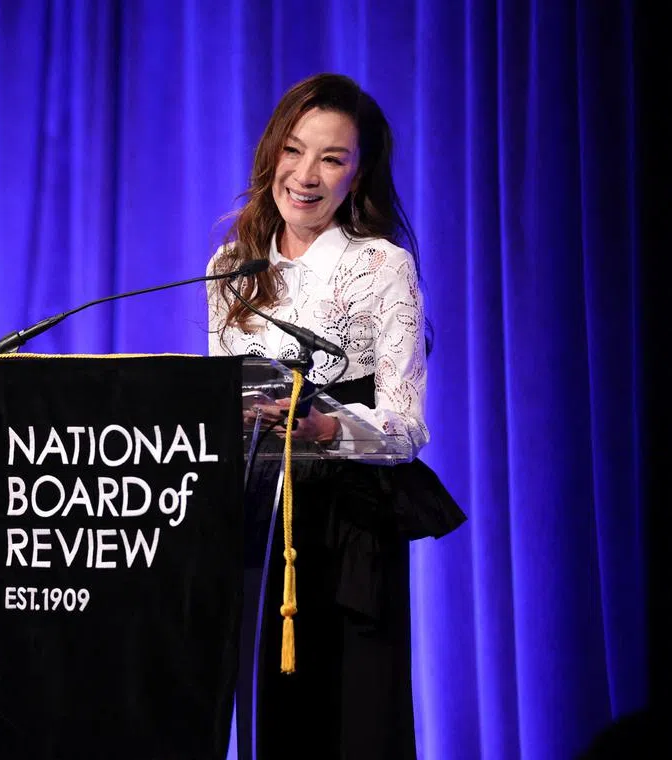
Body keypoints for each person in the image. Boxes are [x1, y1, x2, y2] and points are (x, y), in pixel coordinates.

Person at [206, 74, 463, 759]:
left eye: (332, 159)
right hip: (258, 523)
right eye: (294, 151)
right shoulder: (232, 267)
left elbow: (407, 429)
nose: (305, 176)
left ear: (359, 174)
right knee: (269, 724)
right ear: (271, 154)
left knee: (353, 725)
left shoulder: (380, 265)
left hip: (347, 528)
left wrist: (326, 428)